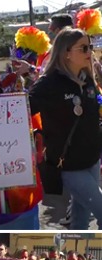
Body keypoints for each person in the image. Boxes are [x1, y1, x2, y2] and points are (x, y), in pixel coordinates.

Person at [29, 28, 102, 229]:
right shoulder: (48, 84)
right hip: (69, 166)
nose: (90, 51)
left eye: (91, 46)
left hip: (92, 161)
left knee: (81, 219)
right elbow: (20, 111)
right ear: (66, 52)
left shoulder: (87, 79)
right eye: (84, 48)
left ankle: (82, 254)